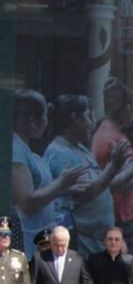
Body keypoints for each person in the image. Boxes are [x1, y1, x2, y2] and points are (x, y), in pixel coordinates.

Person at [43, 95, 130, 257]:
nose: (93, 121)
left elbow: (103, 187)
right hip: (82, 244)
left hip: (98, 242)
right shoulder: (60, 153)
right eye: (89, 115)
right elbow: (87, 193)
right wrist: (113, 167)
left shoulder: (80, 149)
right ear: (75, 118)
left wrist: (131, 170)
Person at [11, 90, 86, 257]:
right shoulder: (15, 150)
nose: (47, 122)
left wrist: (65, 187)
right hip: (25, 241)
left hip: (40, 239)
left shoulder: (26, 148)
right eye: (44, 115)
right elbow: (26, 202)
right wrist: (61, 184)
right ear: (32, 121)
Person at [91, 78, 133, 241]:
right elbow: (125, 183)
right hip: (121, 213)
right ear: (128, 108)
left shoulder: (102, 131)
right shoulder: (117, 139)